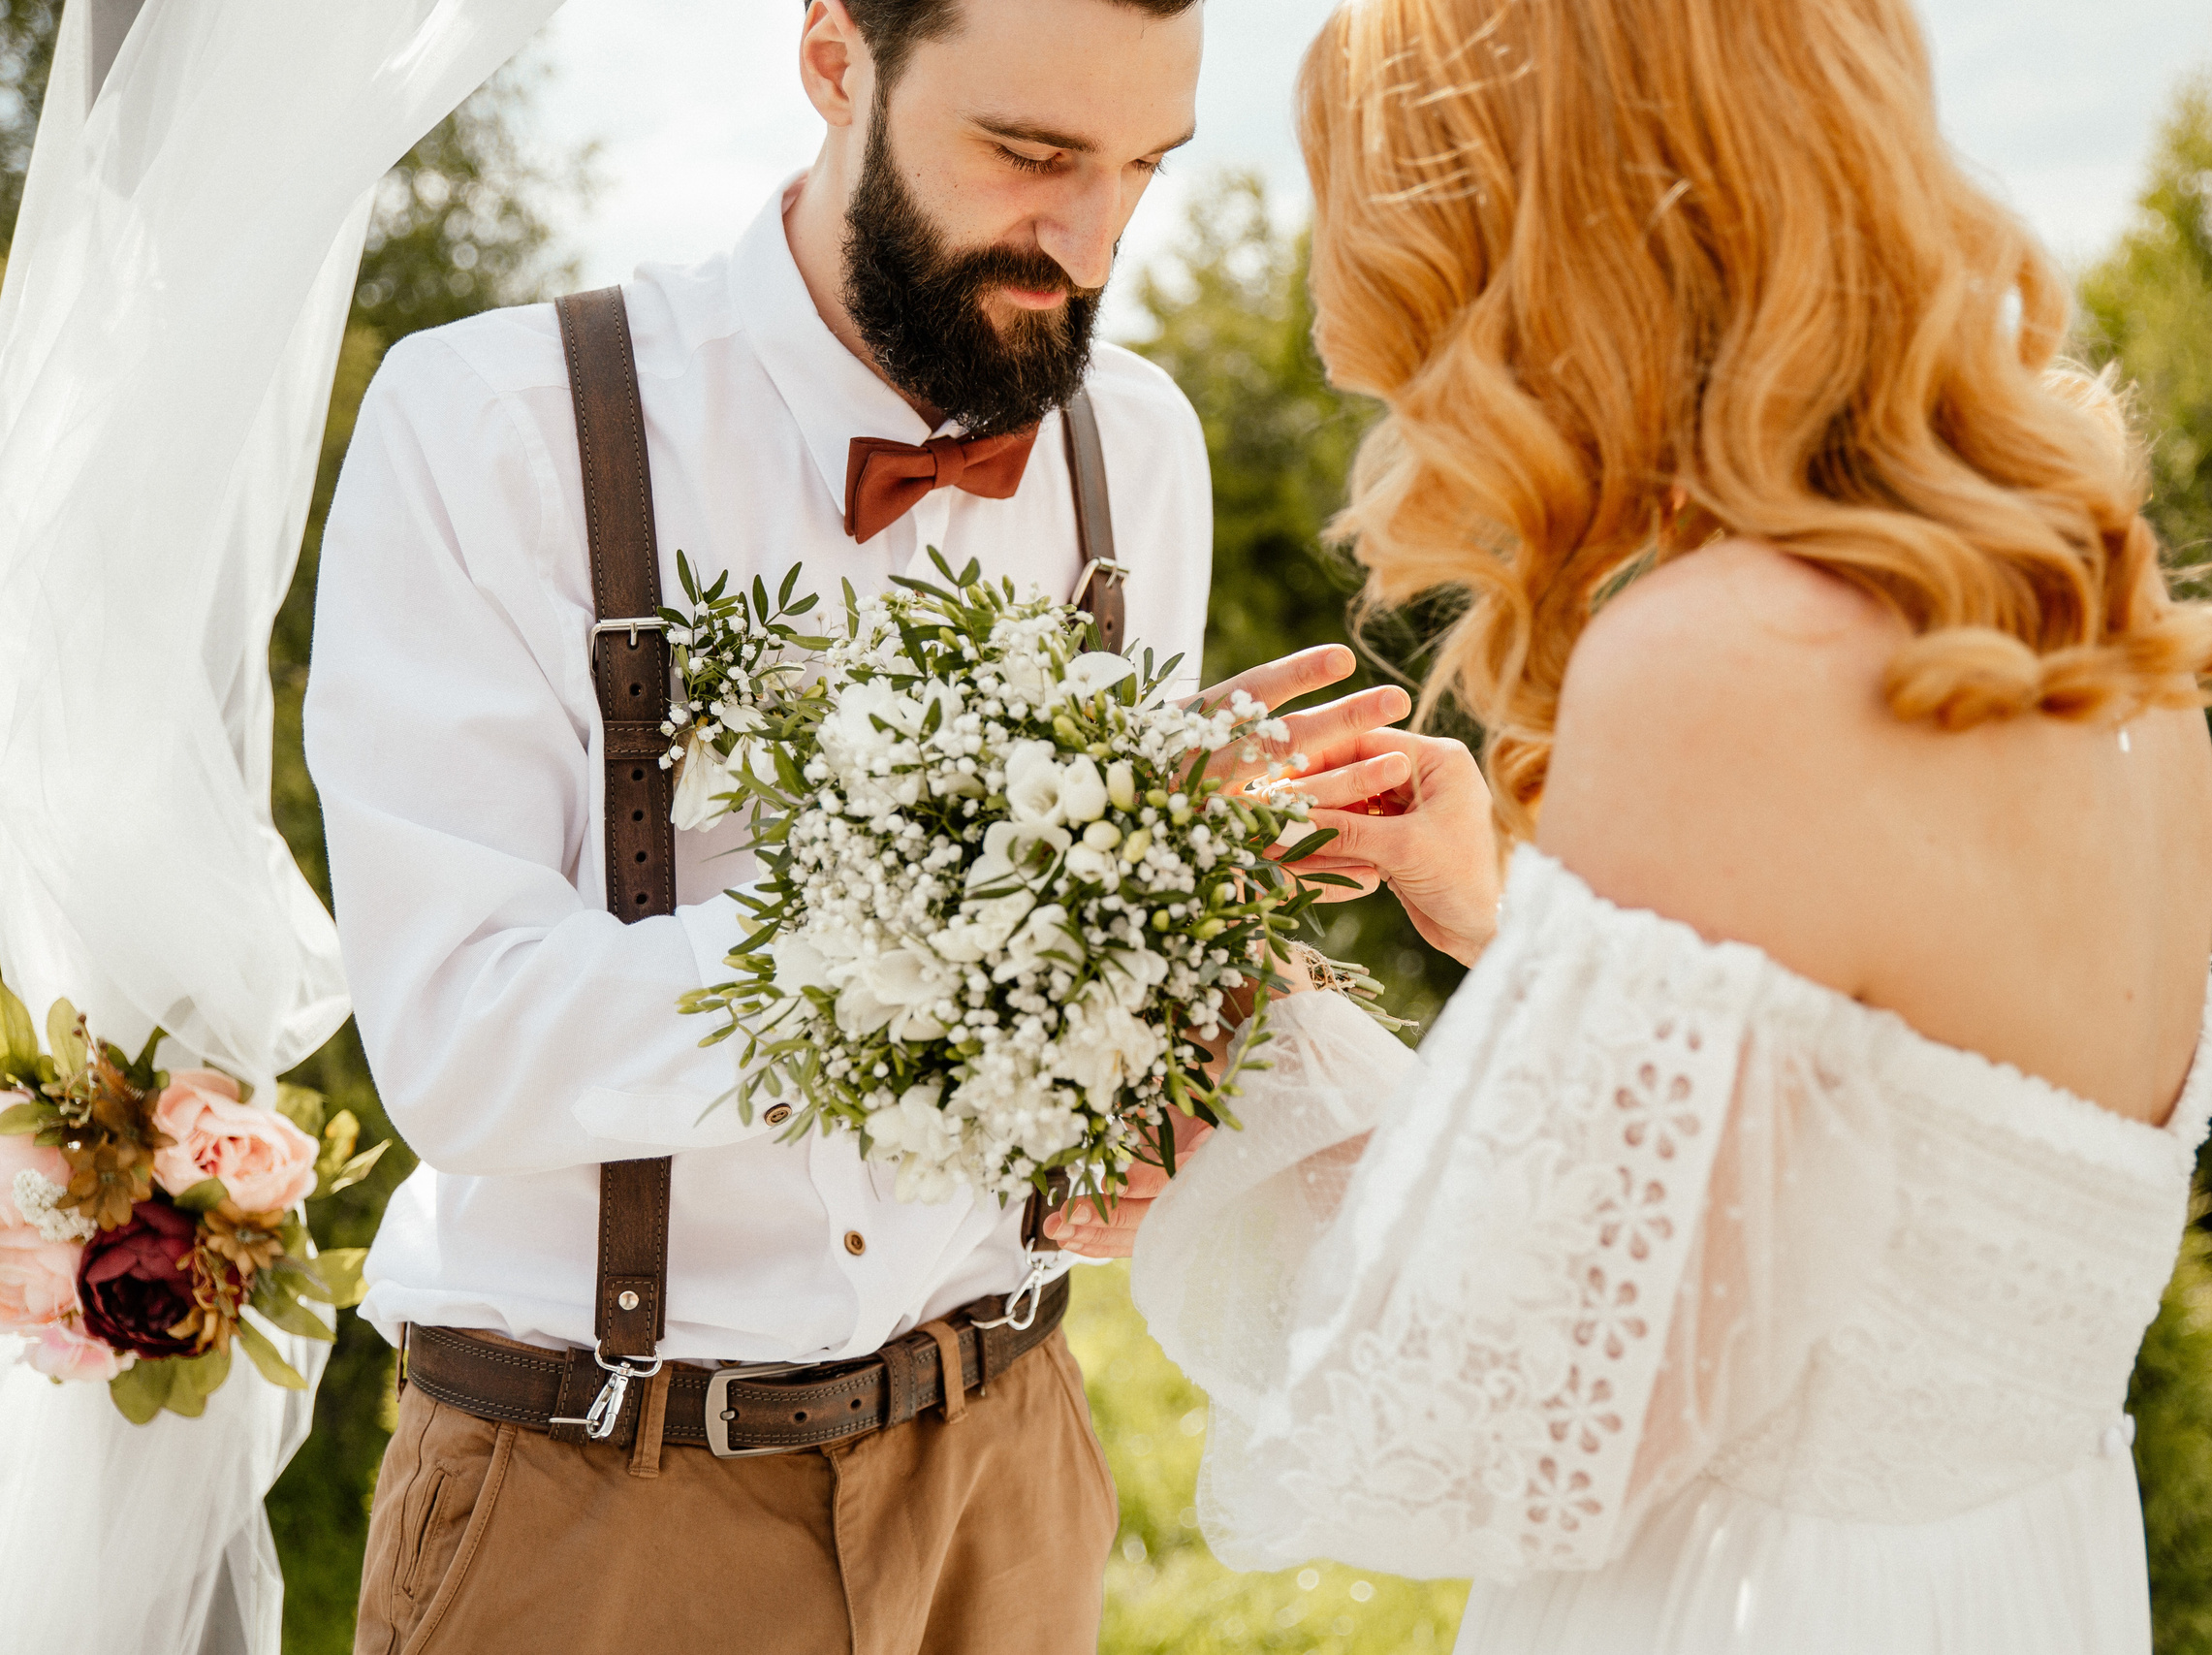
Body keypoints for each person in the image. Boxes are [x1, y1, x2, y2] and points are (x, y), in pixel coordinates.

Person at [1110, 0, 2212, 1649]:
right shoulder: (2094, 613)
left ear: (1542, 248)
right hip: (2024, 1586)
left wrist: (1244, 1081)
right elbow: (1876, 1135)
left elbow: (1497, 1429)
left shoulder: (1723, 656)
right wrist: (1524, 931)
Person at [305, 3, 1398, 1651]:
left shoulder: (1141, 452)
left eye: (1141, 171)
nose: (1087, 244)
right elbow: (466, 1046)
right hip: (598, 1500)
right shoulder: (494, 424)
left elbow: (1083, 996)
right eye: (1029, 157)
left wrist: (1167, 1046)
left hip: (1008, 1466)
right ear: (835, 59)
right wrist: (972, 908)